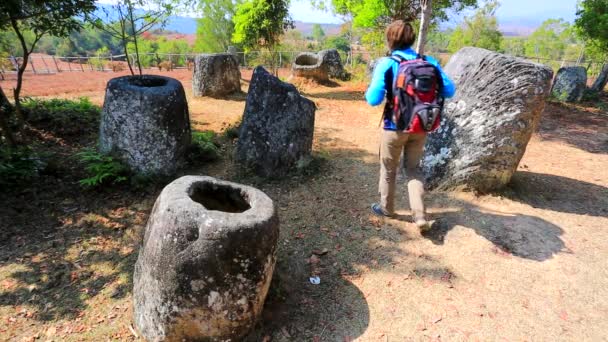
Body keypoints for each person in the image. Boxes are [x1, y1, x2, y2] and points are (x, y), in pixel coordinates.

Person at [366, 20, 456, 229]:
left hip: (394, 126)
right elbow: (450, 90)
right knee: (413, 169)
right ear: (412, 39)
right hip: (421, 126)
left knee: (389, 169)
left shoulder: (387, 63)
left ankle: (386, 208)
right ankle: (420, 216)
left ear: (390, 39)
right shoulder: (429, 61)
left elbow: (373, 99)